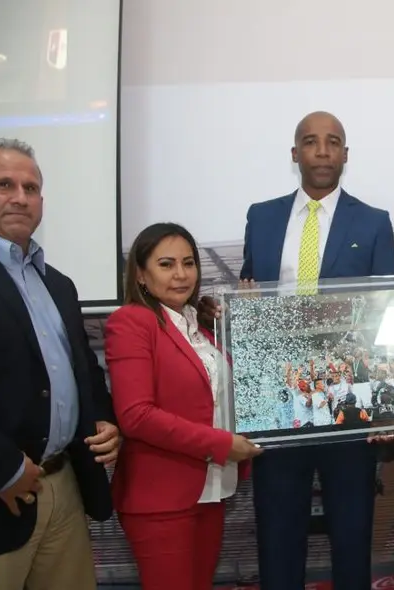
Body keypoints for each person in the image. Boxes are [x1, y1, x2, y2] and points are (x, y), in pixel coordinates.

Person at [0, 138, 121, 590]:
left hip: (64, 487)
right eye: (4, 184)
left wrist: (104, 419)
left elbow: (83, 372)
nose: (20, 197)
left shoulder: (59, 284)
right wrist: (2, 469)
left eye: (31, 188)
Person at [232, 111, 394, 589]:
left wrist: (385, 411)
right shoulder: (261, 217)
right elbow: (251, 294)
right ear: (294, 154)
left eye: (332, 142)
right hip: (277, 400)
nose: (322, 151)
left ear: (346, 154)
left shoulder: (373, 222)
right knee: (278, 535)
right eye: (310, 141)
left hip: (348, 403)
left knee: (351, 534)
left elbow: (384, 316)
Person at [104, 222, 263, 590]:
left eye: (188, 263)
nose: (181, 274)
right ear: (141, 275)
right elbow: (136, 416)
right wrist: (222, 445)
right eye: (166, 264)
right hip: (160, 499)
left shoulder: (198, 324)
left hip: (211, 490)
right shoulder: (131, 322)